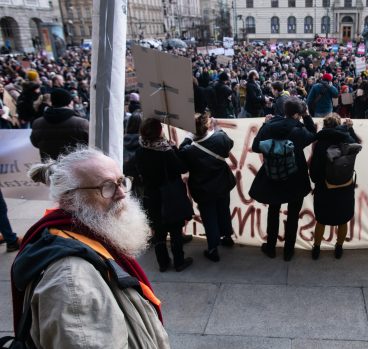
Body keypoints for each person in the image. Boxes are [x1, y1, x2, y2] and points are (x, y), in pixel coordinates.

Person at [11, 148, 170, 348]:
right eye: (107, 187)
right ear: (70, 199)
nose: (121, 194)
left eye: (121, 182)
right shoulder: (72, 283)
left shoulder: (87, 236)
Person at [249, 98, 317, 261]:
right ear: (296, 114)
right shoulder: (299, 130)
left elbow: (255, 146)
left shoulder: (270, 126)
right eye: (300, 115)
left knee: (273, 212)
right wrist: (307, 117)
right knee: (293, 215)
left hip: (273, 176)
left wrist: (264, 124)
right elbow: (313, 135)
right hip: (296, 177)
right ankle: (288, 251)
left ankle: (271, 248)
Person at [135, 118, 193, 272]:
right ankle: (179, 262)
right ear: (159, 131)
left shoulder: (140, 149)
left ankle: (163, 263)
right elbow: (182, 168)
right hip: (170, 196)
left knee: (159, 232)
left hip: (152, 196)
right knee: (175, 231)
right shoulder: (166, 151)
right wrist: (174, 148)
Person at [180, 113, 236, 262]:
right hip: (223, 183)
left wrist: (187, 137)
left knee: (209, 216)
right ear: (206, 126)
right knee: (224, 209)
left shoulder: (188, 150)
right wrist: (217, 128)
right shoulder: (220, 137)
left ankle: (213, 249)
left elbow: (181, 158)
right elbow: (229, 143)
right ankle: (227, 237)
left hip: (203, 189)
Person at [309, 114, 361, 260]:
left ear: (325, 125)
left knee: (321, 219)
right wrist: (350, 129)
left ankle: (317, 248)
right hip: (345, 187)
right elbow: (357, 145)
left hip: (324, 188)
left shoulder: (320, 143)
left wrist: (319, 182)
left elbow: (314, 170)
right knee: (342, 219)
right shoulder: (347, 140)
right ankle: (339, 248)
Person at [30, 88, 89, 160]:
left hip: (49, 166)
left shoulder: (37, 123)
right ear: (70, 102)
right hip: (74, 166)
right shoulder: (82, 123)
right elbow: (90, 144)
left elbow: (35, 143)